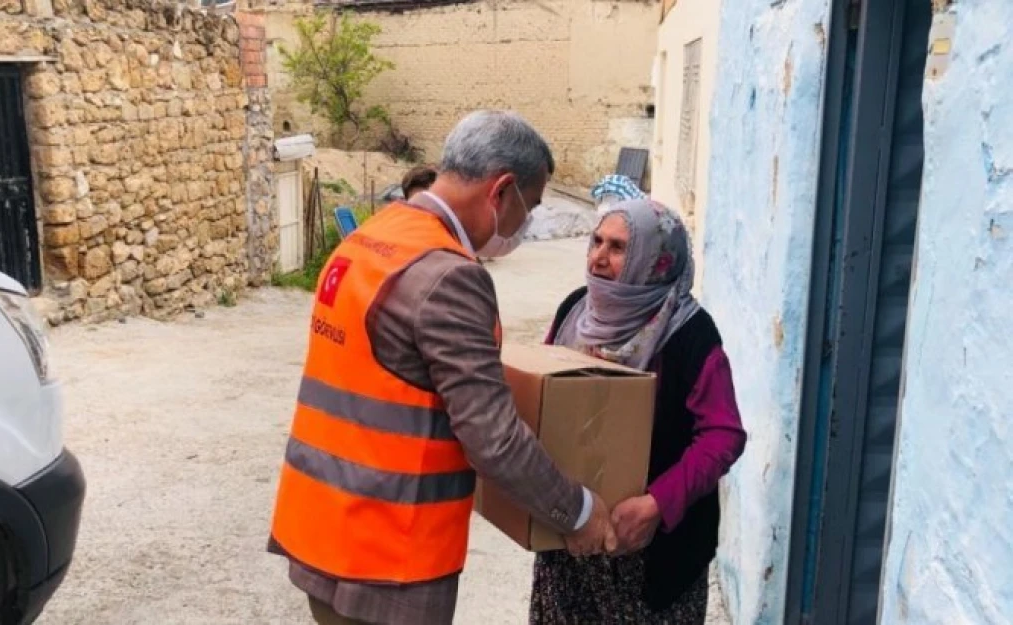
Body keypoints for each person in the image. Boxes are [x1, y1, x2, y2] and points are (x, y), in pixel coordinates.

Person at [268, 110, 618, 625]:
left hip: (321, 528)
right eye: (532, 206)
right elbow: (493, 440)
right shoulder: (448, 275)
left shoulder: (372, 237)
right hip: (388, 559)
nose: (527, 225)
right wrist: (580, 512)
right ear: (501, 192)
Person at [529, 198, 747, 624]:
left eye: (618, 247)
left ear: (658, 261)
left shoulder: (689, 332)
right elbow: (545, 393)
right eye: (596, 242)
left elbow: (724, 434)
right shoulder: (576, 310)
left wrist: (657, 504)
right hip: (574, 534)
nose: (598, 257)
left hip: (654, 549)